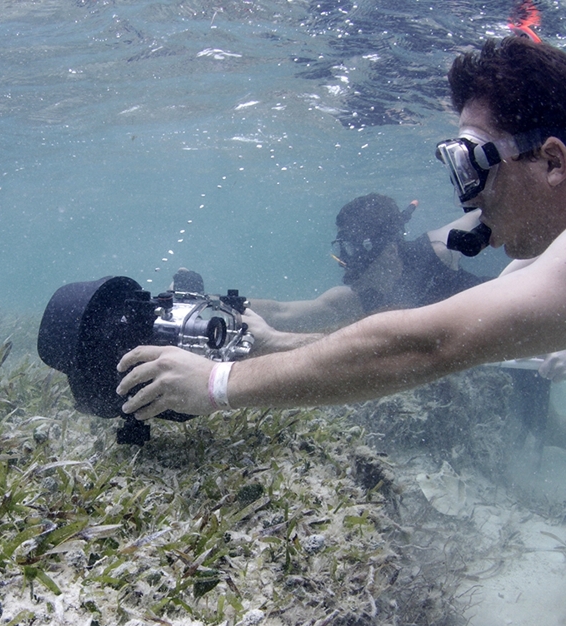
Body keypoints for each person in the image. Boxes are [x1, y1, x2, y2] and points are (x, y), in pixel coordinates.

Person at [115, 36, 566, 423]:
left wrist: (216, 384)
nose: (467, 197)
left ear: (552, 161)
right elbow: (405, 343)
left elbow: (426, 344)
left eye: (473, 163)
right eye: (454, 165)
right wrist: (272, 340)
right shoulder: (534, 267)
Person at [247, 194, 487, 354]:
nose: (345, 263)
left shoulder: (438, 249)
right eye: (343, 248)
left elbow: (490, 212)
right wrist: (221, 304)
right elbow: (281, 312)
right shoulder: (354, 299)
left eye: (353, 249)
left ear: (390, 251)